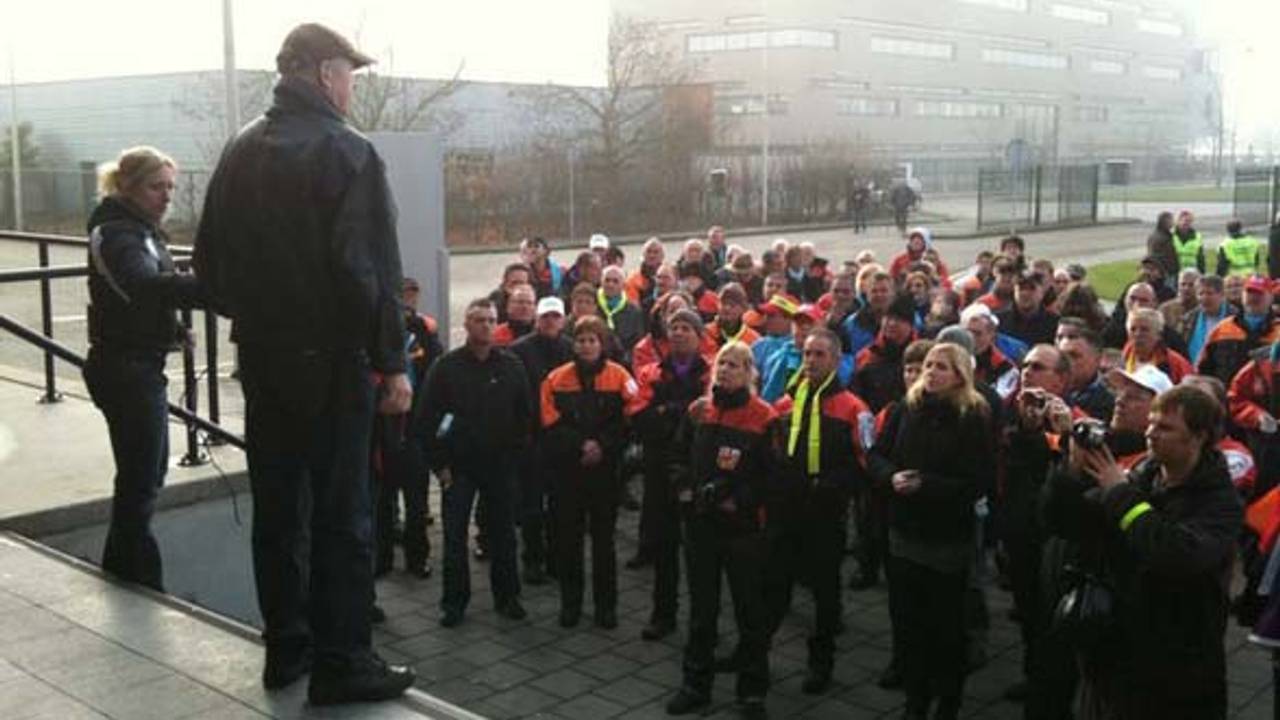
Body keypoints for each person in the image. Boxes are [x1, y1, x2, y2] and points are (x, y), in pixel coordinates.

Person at [192, 24, 414, 703]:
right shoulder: (348, 151)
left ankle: (287, 649)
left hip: (263, 361)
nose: (352, 86)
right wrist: (393, 362)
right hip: (330, 367)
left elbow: (209, 267)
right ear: (323, 74)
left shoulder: (239, 148)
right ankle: (342, 663)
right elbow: (367, 271)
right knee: (344, 515)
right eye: (350, 73)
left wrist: (264, 318)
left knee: (280, 510)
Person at [1043, 385, 1242, 718]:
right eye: (1151, 423)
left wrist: (1119, 494)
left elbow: (1177, 554)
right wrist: (1070, 474)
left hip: (1175, 668)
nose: (1150, 433)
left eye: (1165, 427)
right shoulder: (1142, 477)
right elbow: (1069, 525)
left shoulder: (1219, 502)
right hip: (1114, 657)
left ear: (1198, 437)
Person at [85, 145, 201, 593]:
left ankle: (125, 572)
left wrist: (172, 331)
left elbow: (138, 297)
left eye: (171, 186)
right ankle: (138, 579)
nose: (166, 196)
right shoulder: (117, 234)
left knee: (146, 475)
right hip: (124, 370)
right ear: (128, 187)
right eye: (157, 186)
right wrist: (208, 290)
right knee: (141, 479)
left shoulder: (143, 231)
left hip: (140, 365)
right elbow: (141, 284)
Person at [870, 343, 994, 720]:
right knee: (908, 624)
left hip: (945, 540)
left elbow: (978, 481)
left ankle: (948, 701)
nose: (931, 372)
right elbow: (877, 454)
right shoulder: (906, 407)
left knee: (945, 629)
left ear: (959, 375)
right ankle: (915, 700)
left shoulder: (972, 416)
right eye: (928, 365)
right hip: (903, 532)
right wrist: (891, 477)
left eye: (942, 367)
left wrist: (926, 484)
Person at [664, 342, 778, 719]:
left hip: (742, 530)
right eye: (722, 364)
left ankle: (752, 691)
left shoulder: (764, 417)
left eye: (735, 365)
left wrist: (739, 499)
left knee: (750, 610)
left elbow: (772, 477)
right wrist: (684, 490)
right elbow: (677, 456)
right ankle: (695, 684)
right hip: (700, 525)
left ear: (749, 372)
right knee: (701, 611)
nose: (726, 370)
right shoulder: (700, 411)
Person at [769, 329, 875, 695]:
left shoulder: (853, 408)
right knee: (775, 581)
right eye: (807, 354)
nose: (811, 361)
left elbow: (866, 463)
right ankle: (757, 653)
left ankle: (821, 662)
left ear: (835, 360)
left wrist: (830, 485)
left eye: (819, 355)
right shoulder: (788, 401)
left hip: (825, 512)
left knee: (825, 591)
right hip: (786, 508)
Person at [422, 299, 533, 628]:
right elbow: (427, 420)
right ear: (467, 325)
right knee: (455, 538)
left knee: (504, 535)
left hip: (500, 466)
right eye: (478, 320)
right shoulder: (446, 367)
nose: (485, 325)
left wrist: (515, 459)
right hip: (458, 469)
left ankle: (508, 597)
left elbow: (525, 417)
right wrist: (439, 465)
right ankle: (454, 603)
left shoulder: (511, 366)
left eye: (490, 320)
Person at [542, 316, 642, 629]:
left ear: (603, 344)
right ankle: (570, 605)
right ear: (573, 343)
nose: (586, 345)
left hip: (605, 472)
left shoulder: (620, 377)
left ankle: (605, 608)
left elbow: (630, 421)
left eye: (592, 340)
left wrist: (601, 445)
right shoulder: (555, 379)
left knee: (604, 542)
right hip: (568, 472)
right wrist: (581, 446)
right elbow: (549, 423)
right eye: (581, 340)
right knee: (568, 541)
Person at [632, 310, 712, 641]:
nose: (678, 333)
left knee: (701, 555)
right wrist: (682, 410)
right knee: (664, 549)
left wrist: (666, 410)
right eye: (674, 328)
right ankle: (662, 614)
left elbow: (711, 415)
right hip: (659, 470)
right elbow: (639, 417)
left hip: (698, 471)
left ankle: (703, 621)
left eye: (686, 328)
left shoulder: (712, 373)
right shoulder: (652, 372)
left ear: (699, 335)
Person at [509, 297, 574, 585]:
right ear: (537, 319)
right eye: (545, 317)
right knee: (532, 505)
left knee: (560, 503)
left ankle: (558, 558)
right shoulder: (519, 351)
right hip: (531, 438)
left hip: (562, 438)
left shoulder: (572, 348)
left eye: (555, 317)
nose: (550, 322)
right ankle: (532, 559)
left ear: (563, 320)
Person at [1198, 275, 1280, 385]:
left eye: (1259, 294)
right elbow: (1203, 370)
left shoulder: (1277, 331)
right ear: (1242, 296)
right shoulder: (1222, 329)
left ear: (1270, 297)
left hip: (1268, 400)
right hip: (1225, 399)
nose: (1253, 298)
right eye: (1249, 293)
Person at [852, 294, 918, 413]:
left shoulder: (922, 356)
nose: (892, 324)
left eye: (899, 319)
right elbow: (855, 396)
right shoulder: (867, 355)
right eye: (888, 318)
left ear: (910, 325)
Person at [1056, 319, 1115, 422]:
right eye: (1063, 357)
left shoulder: (1108, 403)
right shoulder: (1047, 387)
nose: (1068, 363)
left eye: (1075, 356)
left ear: (1097, 359)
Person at [1123, 307, 1194, 383]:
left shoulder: (1175, 364)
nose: (1137, 334)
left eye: (1144, 330)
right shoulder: (1127, 353)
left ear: (1158, 335)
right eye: (1133, 329)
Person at [598, 265, 646, 362]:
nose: (610, 284)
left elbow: (638, 343)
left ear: (623, 285)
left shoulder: (634, 311)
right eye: (607, 280)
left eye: (615, 281)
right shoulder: (593, 306)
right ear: (601, 283)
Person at [997, 272, 1059, 347]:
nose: (1025, 293)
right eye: (1021, 289)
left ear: (1042, 292)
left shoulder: (1055, 323)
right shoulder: (998, 321)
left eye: (1032, 288)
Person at [1183, 274, 1230, 367]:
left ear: (1222, 295)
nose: (1204, 298)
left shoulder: (1235, 317)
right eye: (1200, 294)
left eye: (1209, 293)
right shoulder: (1188, 319)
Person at [706, 283, 760, 348]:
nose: (727, 308)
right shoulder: (707, 332)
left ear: (743, 309)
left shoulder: (755, 339)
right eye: (723, 303)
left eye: (732, 304)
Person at [626, 237, 666, 305]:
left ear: (662, 256)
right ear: (643, 255)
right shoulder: (633, 279)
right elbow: (633, 307)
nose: (652, 255)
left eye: (656, 252)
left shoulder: (669, 276)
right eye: (648, 251)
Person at [1172, 209, 1208, 273]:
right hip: (1174, 270)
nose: (1187, 223)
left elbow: (1200, 257)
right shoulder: (1170, 235)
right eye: (1185, 220)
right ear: (1178, 220)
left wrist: (1202, 272)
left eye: (1190, 221)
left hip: (1192, 271)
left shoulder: (1197, 236)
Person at [1147, 211, 1178, 282]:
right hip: (1166, 272)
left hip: (1160, 271)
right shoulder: (1164, 238)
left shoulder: (1154, 235)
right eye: (1172, 220)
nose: (1173, 223)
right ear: (1166, 222)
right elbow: (1166, 256)